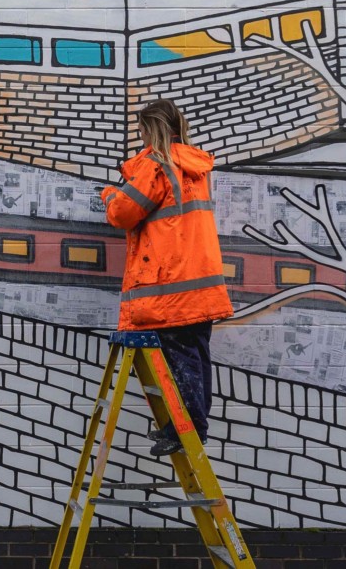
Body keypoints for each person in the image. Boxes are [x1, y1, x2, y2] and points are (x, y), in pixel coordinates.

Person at [99, 99, 234, 456]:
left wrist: (111, 192)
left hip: (171, 290)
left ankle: (186, 433)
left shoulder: (156, 166)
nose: (139, 136)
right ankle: (190, 427)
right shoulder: (193, 167)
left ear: (151, 129)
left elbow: (123, 213)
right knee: (195, 359)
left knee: (179, 364)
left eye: (141, 130)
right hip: (198, 288)